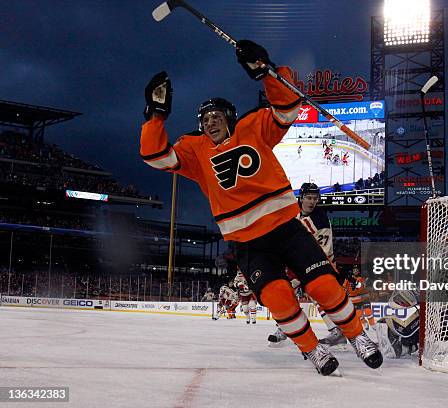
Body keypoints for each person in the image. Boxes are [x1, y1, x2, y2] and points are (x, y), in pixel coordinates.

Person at [139, 39, 381, 376]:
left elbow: (288, 106)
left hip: (285, 228)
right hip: (247, 243)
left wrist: (265, 71)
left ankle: (358, 336)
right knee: (278, 297)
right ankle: (312, 350)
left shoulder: (253, 126)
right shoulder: (194, 150)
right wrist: (156, 115)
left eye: (216, 115)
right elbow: (154, 156)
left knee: (324, 286)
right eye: (204, 118)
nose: (210, 122)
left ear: (230, 117)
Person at [267, 183, 351, 347]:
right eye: (309, 198)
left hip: (320, 262)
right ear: (301, 198)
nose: (312, 201)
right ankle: (287, 328)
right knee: (284, 292)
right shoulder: (292, 213)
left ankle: (287, 328)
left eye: (315, 198)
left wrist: (300, 274)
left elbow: (323, 251)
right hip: (298, 260)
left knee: (316, 293)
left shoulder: (320, 220)